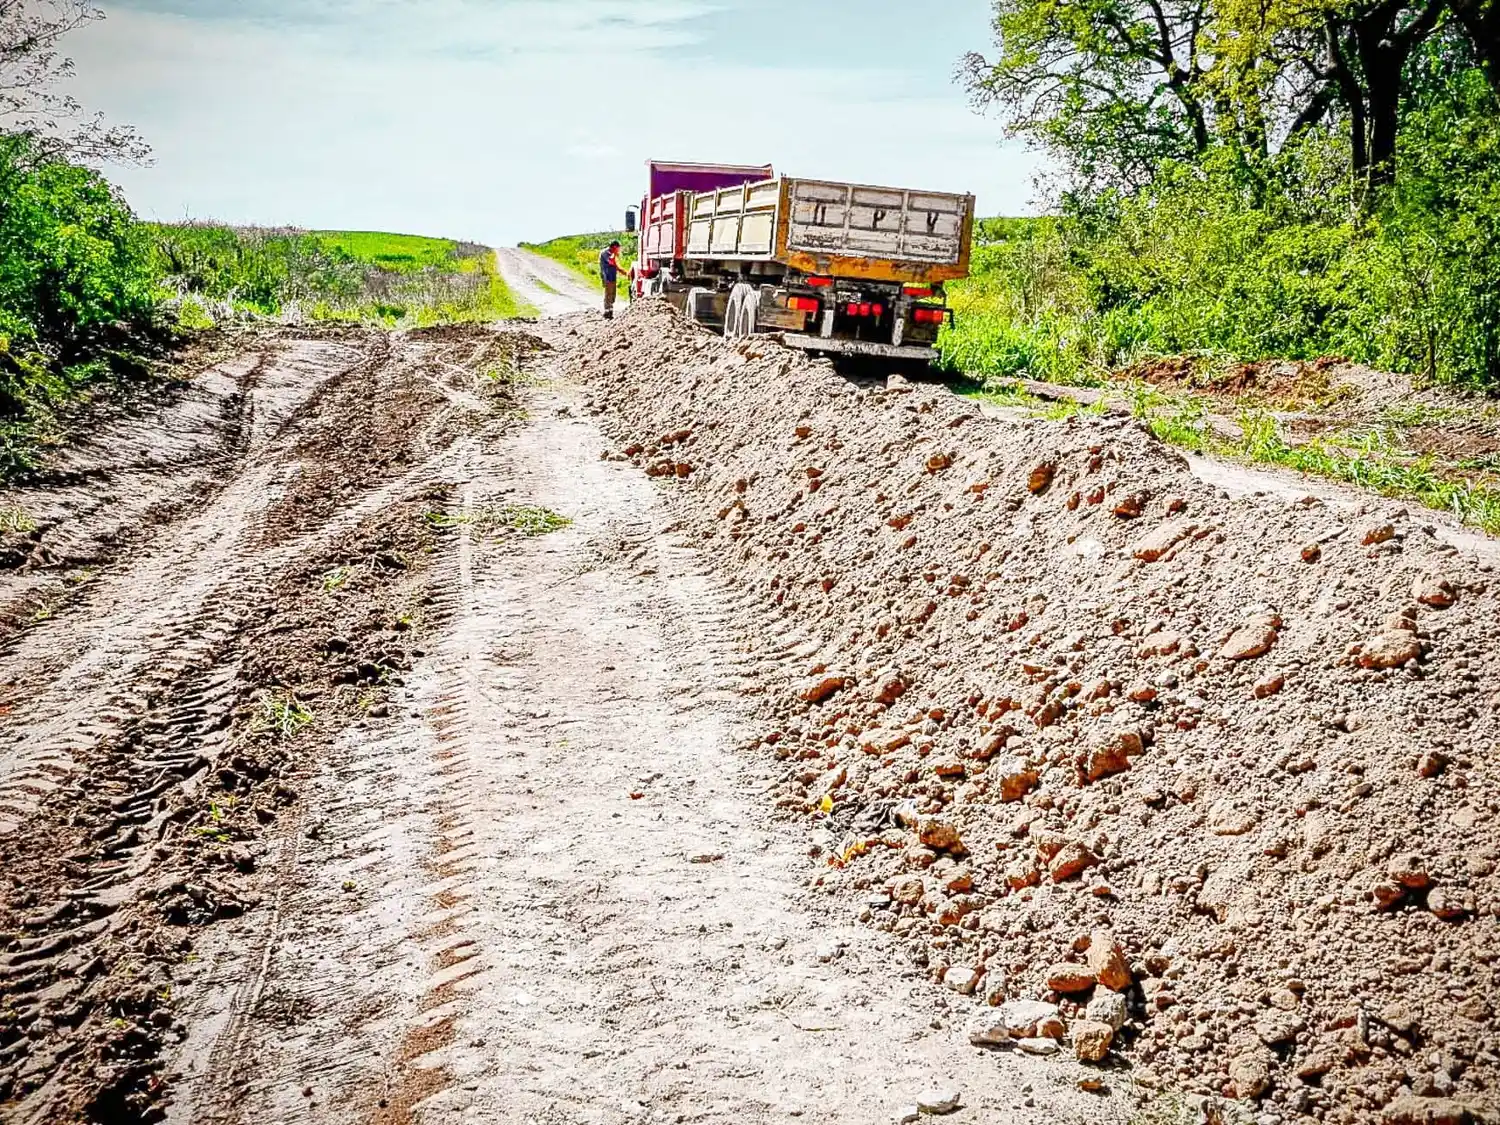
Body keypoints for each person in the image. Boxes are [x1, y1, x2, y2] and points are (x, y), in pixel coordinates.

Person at [598, 240, 628, 320]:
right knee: (608, 293)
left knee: (613, 294)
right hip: (607, 276)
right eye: (618, 248)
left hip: (612, 276)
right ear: (614, 247)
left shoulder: (612, 254)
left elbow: (616, 266)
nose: (618, 250)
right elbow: (612, 262)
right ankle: (607, 312)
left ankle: (610, 311)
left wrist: (624, 272)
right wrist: (615, 254)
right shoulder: (605, 253)